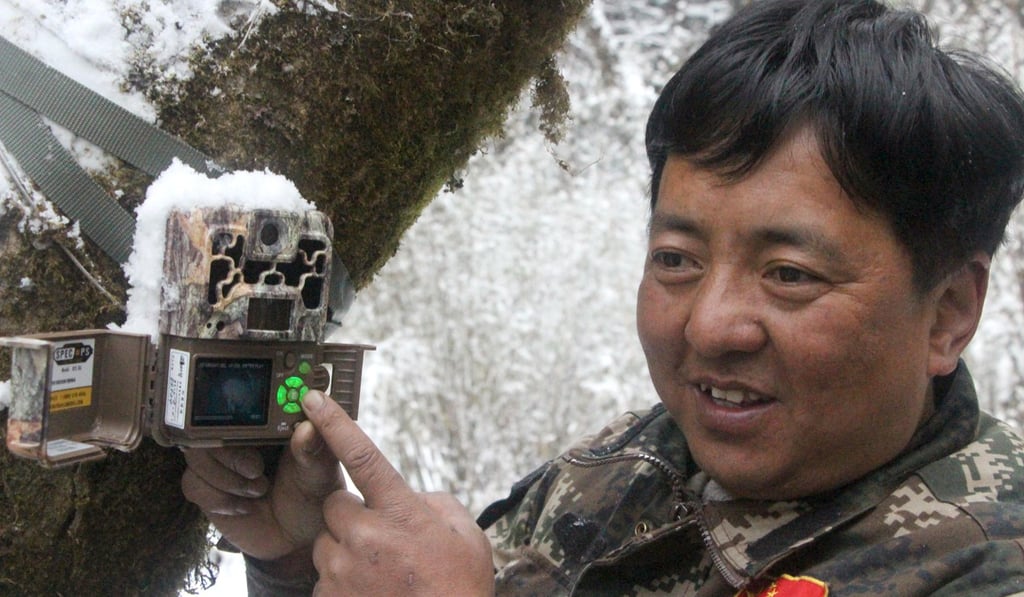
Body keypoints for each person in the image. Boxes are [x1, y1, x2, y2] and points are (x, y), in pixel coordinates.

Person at [181, 0, 1024, 594]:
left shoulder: (984, 562)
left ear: (948, 311)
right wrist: (294, 561)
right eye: (678, 258)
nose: (710, 324)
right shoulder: (621, 468)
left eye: (790, 274)